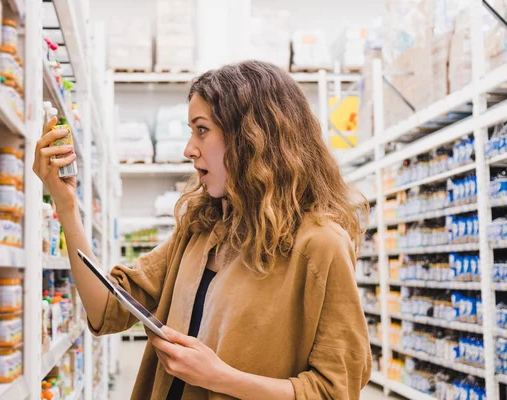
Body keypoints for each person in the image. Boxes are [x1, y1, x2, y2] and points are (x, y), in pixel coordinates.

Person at [34, 60, 371, 400]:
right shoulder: (202, 231)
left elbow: (334, 390)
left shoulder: (321, 246)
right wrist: (66, 205)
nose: (188, 148)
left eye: (201, 129)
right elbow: (105, 308)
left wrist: (220, 378)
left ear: (251, 137)